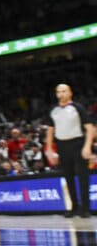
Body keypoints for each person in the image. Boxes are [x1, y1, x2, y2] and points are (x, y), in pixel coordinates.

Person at [44, 83, 94, 218]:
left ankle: (85, 208)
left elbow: (90, 128)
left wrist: (87, 146)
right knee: (68, 177)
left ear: (70, 93)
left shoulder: (78, 108)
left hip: (78, 143)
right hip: (62, 145)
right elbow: (50, 131)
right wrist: (49, 149)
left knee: (83, 177)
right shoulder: (53, 110)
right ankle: (73, 207)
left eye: (64, 91)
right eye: (58, 92)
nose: (61, 94)